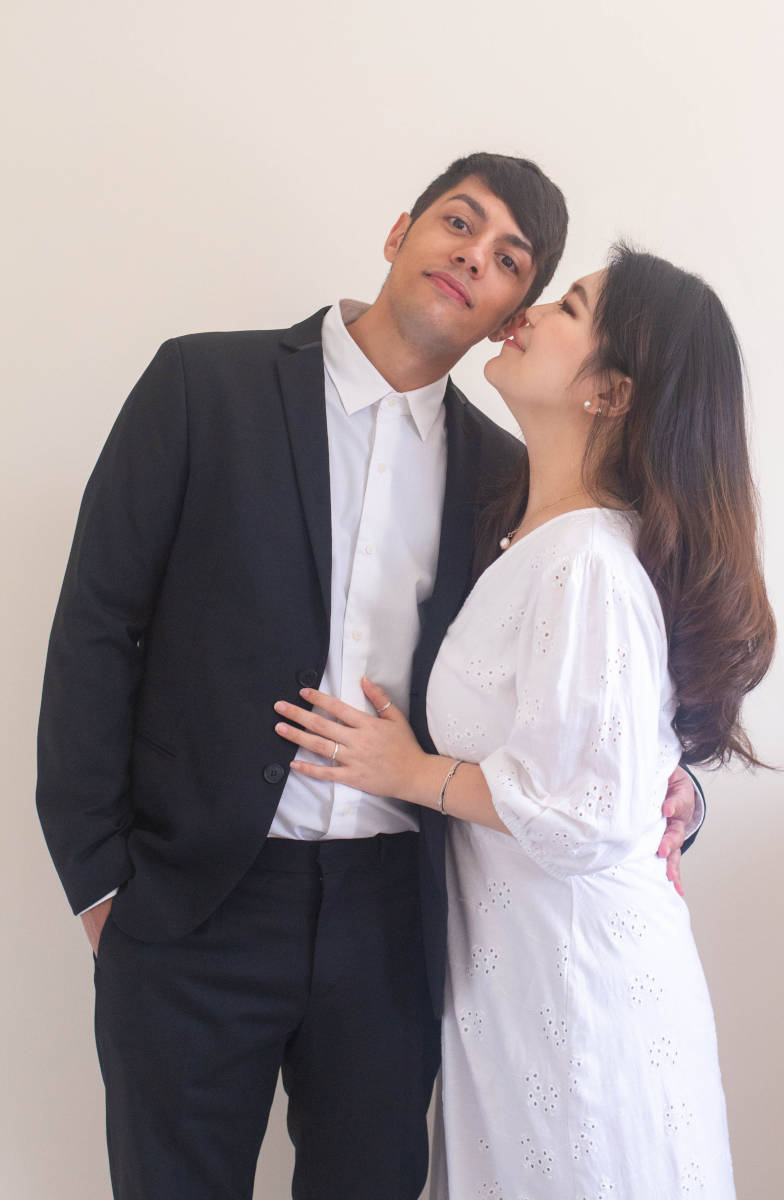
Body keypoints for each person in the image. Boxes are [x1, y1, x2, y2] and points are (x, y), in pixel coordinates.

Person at [36, 154, 698, 1200]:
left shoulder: (511, 479)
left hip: (399, 920)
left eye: (509, 260)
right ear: (399, 233)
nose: (472, 258)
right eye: (459, 223)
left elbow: (600, 672)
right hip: (194, 904)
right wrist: (99, 879)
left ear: (510, 317)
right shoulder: (202, 385)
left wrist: (677, 782)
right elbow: (97, 626)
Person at [272, 243, 775, 1197]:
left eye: (568, 307)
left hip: (578, 993)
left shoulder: (587, 562)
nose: (527, 312)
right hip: (523, 980)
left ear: (611, 394)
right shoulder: (535, 536)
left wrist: (407, 770)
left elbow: (590, 812)